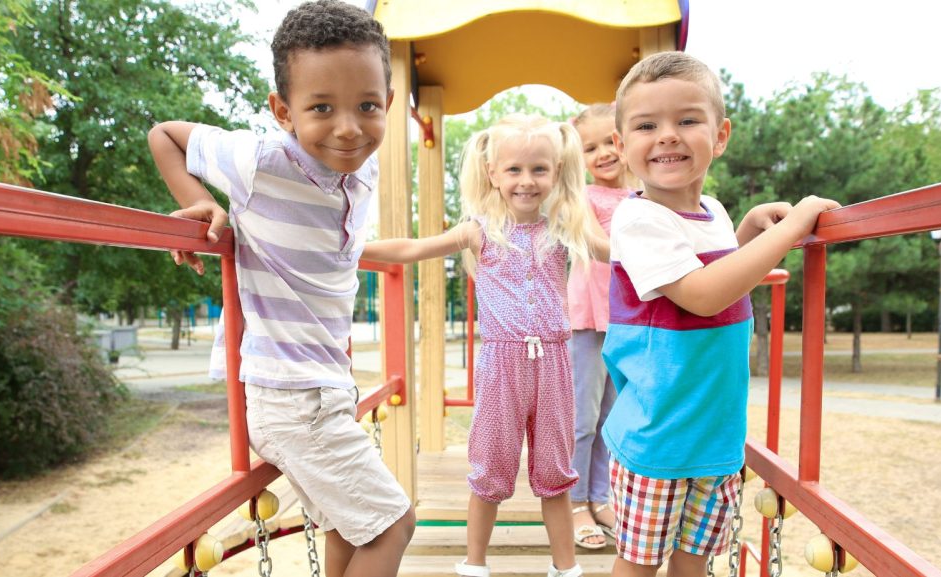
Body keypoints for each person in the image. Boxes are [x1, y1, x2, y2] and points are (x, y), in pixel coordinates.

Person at [147, 2, 415, 576]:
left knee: (352, 524)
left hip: (328, 387)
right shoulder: (260, 159)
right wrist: (201, 201)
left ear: (387, 104)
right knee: (393, 523)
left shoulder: (361, 167)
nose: (348, 128)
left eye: (367, 106)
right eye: (321, 108)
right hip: (291, 396)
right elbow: (164, 134)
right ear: (283, 111)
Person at [601, 51, 840, 577]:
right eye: (647, 125)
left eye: (687, 120)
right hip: (658, 434)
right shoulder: (638, 218)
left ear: (721, 134)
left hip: (715, 433)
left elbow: (717, 272)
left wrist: (750, 229)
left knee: (695, 561)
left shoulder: (711, 212)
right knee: (639, 565)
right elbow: (703, 295)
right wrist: (791, 227)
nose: (667, 135)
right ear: (622, 146)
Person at [362, 114, 608, 577]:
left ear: (556, 171)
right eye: (513, 170)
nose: (526, 181)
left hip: (554, 360)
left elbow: (609, 250)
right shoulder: (480, 229)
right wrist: (353, 248)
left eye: (539, 169)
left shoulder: (563, 225)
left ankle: (566, 568)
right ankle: (474, 563)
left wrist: (672, 246)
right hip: (501, 363)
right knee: (490, 466)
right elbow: (413, 249)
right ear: (492, 172)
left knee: (556, 470)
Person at [565, 103, 633, 550]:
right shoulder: (582, 198)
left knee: (613, 415)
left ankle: (600, 495)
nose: (604, 153)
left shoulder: (643, 197)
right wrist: (643, 250)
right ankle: (573, 503)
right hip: (588, 317)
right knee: (582, 417)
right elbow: (592, 241)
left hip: (626, 317)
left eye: (611, 141)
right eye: (591, 147)